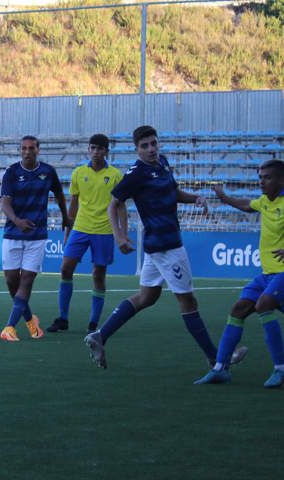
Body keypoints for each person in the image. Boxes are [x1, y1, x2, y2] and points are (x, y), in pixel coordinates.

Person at [83, 125, 225, 370]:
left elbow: (174, 191)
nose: (151, 149)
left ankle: (99, 336)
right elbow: (113, 204)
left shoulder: (163, 163)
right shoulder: (136, 174)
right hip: (166, 247)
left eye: (153, 143)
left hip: (158, 245)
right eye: (145, 146)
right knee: (188, 302)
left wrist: (195, 198)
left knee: (147, 296)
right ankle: (216, 359)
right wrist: (120, 237)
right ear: (137, 149)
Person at [194, 160, 284, 387]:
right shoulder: (265, 202)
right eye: (260, 177)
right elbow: (246, 205)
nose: (261, 181)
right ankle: (220, 368)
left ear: (281, 180)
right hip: (267, 275)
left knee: (264, 304)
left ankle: (280, 369)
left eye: (267, 177)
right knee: (238, 309)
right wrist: (224, 198)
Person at [47, 134, 122, 333]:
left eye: (101, 148)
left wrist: (120, 233)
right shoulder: (79, 173)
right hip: (80, 228)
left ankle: (93, 323)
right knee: (65, 268)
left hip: (104, 230)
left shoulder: (115, 175)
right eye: (93, 147)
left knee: (98, 274)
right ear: (89, 149)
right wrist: (67, 229)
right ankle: (63, 318)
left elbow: (120, 205)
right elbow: (74, 204)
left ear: (107, 151)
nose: (97, 151)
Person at [0, 136, 71, 342]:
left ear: (38, 150)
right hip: (13, 234)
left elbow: (59, 194)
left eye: (31, 148)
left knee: (27, 280)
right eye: (24, 148)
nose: (27, 151)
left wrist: (66, 217)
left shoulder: (48, 171)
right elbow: (5, 203)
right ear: (20, 150)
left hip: (37, 236)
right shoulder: (11, 172)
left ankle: (10, 327)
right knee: (12, 281)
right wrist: (17, 220)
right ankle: (31, 322)